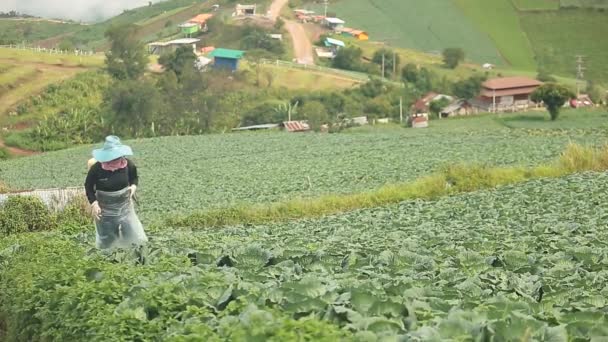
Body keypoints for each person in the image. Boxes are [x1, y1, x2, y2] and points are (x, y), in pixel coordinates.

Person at [85, 135, 148, 249]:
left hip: (125, 207)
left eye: (117, 156)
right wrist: (94, 203)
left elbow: (134, 177)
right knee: (107, 242)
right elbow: (88, 187)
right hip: (105, 209)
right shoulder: (97, 169)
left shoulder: (128, 164)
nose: (115, 160)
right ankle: (108, 261)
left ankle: (133, 257)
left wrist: (133, 187)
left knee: (136, 237)